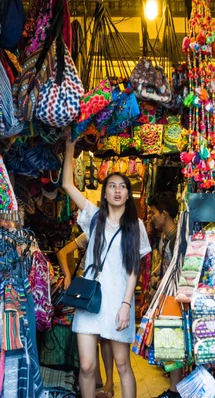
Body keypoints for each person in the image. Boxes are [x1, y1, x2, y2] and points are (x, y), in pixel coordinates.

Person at [62, 135, 151, 398]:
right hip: (90, 301)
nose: (117, 190)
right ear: (105, 192)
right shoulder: (93, 217)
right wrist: (69, 148)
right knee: (88, 367)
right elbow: (67, 184)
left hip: (117, 303)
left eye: (122, 186)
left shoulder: (136, 227)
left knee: (123, 365)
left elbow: (134, 267)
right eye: (111, 186)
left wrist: (126, 304)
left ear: (127, 192)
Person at [56, 233, 115, 397]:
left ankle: (109, 381)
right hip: (87, 290)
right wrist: (68, 275)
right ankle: (97, 378)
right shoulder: (89, 233)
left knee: (105, 337)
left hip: (105, 290)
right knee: (91, 336)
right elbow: (62, 252)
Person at [149, 193, 182, 398]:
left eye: (154, 213)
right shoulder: (166, 238)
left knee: (173, 344)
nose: (152, 217)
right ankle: (174, 389)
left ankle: (175, 390)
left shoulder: (177, 238)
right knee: (170, 344)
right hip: (168, 296)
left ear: (165, 214)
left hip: (174, 298)